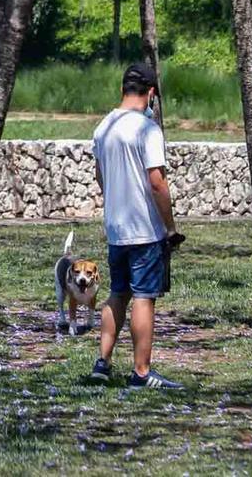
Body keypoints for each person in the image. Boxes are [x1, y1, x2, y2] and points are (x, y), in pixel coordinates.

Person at [88, 61, 184, 388]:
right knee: (144, 296)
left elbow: (101, 176)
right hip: (144, 229)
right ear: (152, 93)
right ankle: (142, 373)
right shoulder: (147, 129)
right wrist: (170, 228)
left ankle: (103, 362)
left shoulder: (103, 127)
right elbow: (157, 181)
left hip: (116, 229)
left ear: (122, 90)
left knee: (118, 292)